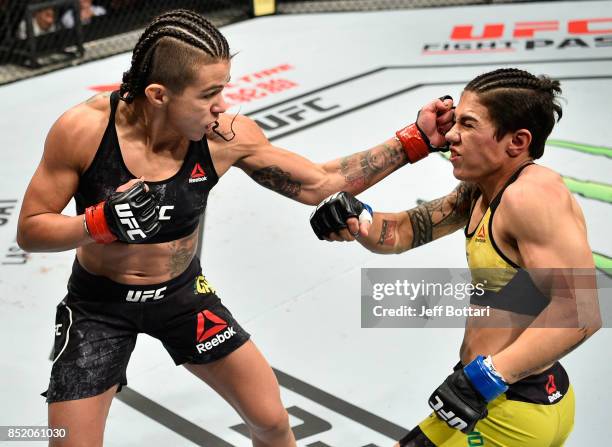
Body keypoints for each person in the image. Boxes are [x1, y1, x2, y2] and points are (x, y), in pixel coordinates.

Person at [16, 8, 452, 447]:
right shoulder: (85, 130)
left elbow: (319, 183)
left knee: (272, 422)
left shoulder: (224, 137)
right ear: (159, 94)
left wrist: (414, 140)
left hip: (182, 297)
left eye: (223, 89)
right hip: (98, 306)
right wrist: (99, 222)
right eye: (209, 94)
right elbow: (31, 229)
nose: (222, 105)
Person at [309, 68, 602, 446]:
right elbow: (405, 231)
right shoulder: (482, 190)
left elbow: (580, 309)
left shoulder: (532, 196)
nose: (449, 135)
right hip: (488, 396)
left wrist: (487, 378)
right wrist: (356, 218)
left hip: (510, 409)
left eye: (468, 123)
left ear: (517, 141)